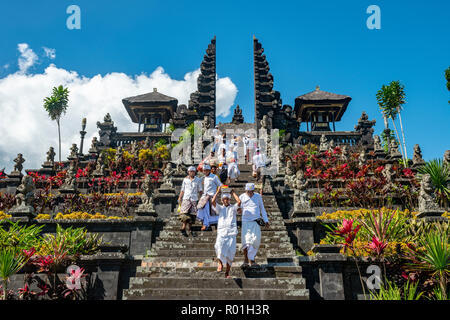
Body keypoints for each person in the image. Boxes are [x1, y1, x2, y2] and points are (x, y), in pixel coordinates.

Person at [211, 186, 242, 278]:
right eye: (224, 199)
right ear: (222, 200)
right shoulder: (220, 208)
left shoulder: (233, 208)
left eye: (227, 199)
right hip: (221, 232)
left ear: (229, 200)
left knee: (231, 253)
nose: (226, 201)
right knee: (218, 246)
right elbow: (212, 202)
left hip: (231, 232)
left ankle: (227, 272)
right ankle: (220, 263)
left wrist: (233, 193)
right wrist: (217, 192)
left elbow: (239, 202)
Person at [239, 183, 270, 267]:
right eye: (247, 191)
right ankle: (246, 260)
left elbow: (262, 209)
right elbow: (239, 208)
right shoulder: (242, 196)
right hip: (246, 222)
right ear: (245, 190)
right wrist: (239, 210)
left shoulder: (258, 196)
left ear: (253, 191)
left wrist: (266, 220)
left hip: (256, 221)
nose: (249, 193)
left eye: (251, 191)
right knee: (246, 241)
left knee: (255, 241)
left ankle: (252, 259)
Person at [178, 166, 203, 236]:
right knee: (184, 214)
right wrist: (180, 197)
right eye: (190, 171)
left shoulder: (198, 180)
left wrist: (203, 198)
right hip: (186, 198)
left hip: (194, 199)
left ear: (195, 172)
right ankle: (183, 227)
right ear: (188, 172)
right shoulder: (185, 180)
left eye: (193, 171)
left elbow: (200, 190)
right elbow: (182, 189)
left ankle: (189, 229)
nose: (192, 173)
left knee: (192, 215)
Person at [197, 164, 223, 231]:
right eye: (204, 170)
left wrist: (216, 194)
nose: (204, 172)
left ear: (209, 170)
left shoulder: (214, 177)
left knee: (213, 211)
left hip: (212, 196)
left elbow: (220, 185)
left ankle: (214, 225)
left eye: (206, 170)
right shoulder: (203, 178)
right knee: (201, 208)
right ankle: (205, 224)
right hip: (205, 196)